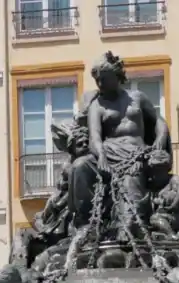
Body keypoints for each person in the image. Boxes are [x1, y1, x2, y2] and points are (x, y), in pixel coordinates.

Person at [68, 51, 171, 236]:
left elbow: (158, 121)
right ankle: (86, 223)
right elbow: (95, 137)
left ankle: (129, 228)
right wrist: (101, 157)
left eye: (104, 79)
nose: (100, 84)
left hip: (136, 156)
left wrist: (160, 139)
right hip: (108, 152)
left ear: (116, 76)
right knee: (79, 166)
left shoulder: (138, 97)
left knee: (131, 206)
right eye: (97, 80)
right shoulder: (97, 105)